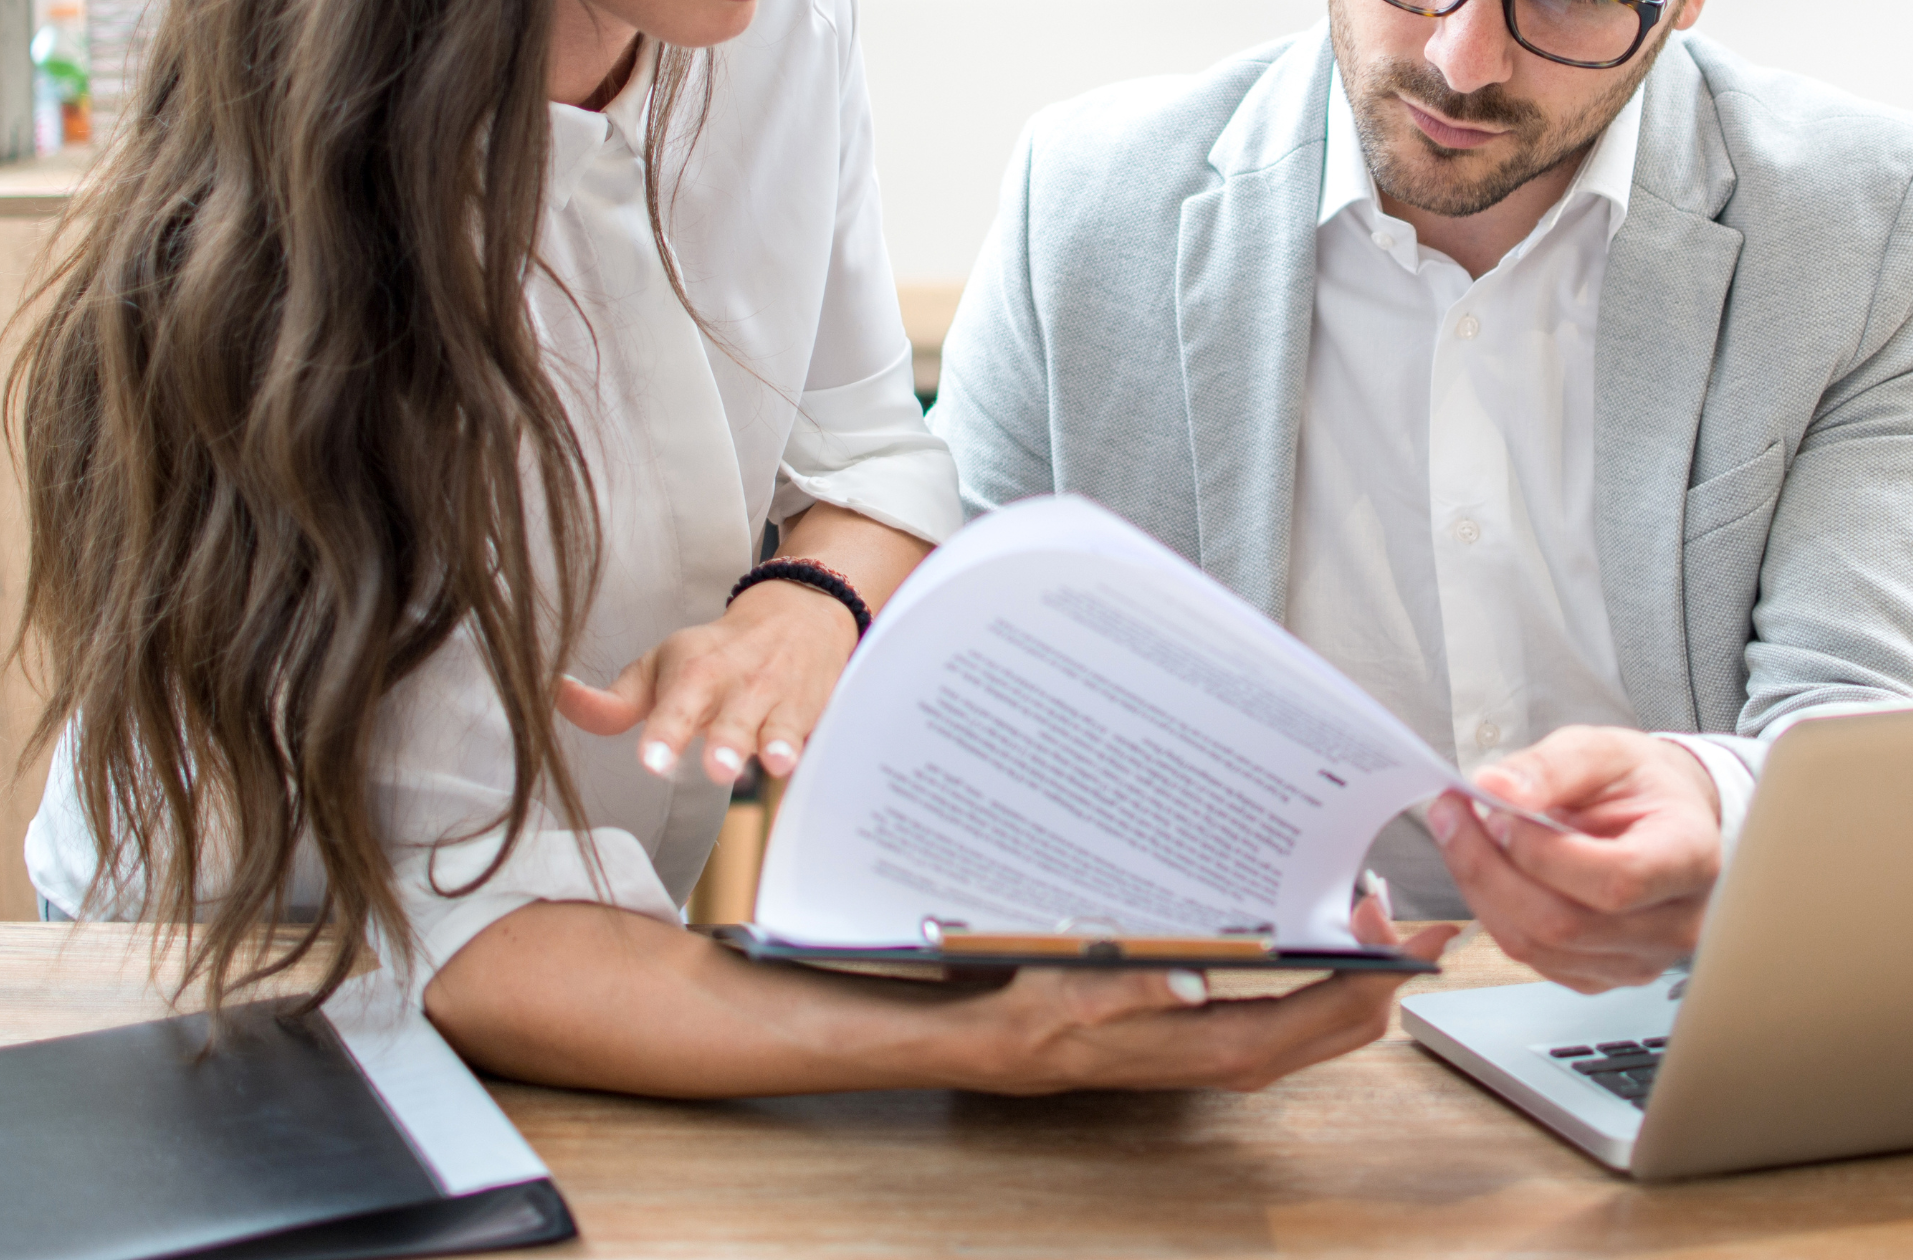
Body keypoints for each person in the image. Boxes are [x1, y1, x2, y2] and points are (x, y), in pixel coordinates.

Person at [11, 0, 1449, 1097]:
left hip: (595, 941)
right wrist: (981, 1040)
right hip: (244, 962)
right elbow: (441, 914)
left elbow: (873, 447)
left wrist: (806, 602)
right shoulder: (322, 265)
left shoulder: (765, 35)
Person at [928, 0, 1913, 991]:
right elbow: (951, 695)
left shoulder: (1874, 223)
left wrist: (1710, 800)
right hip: (1207, 1030)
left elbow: (1877, 735)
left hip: (1692, 1016)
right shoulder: (1083, 199)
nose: (1459, 62)